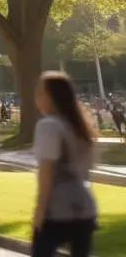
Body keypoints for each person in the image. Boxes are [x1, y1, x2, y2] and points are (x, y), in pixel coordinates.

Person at [31, 72, 97, 257]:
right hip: (84, 207)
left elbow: (46, 172)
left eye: (40, 92)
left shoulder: (49, 126)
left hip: (57, 210)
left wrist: (39, 209)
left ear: (50, 96)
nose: (36, 98)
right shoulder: (81, 127)